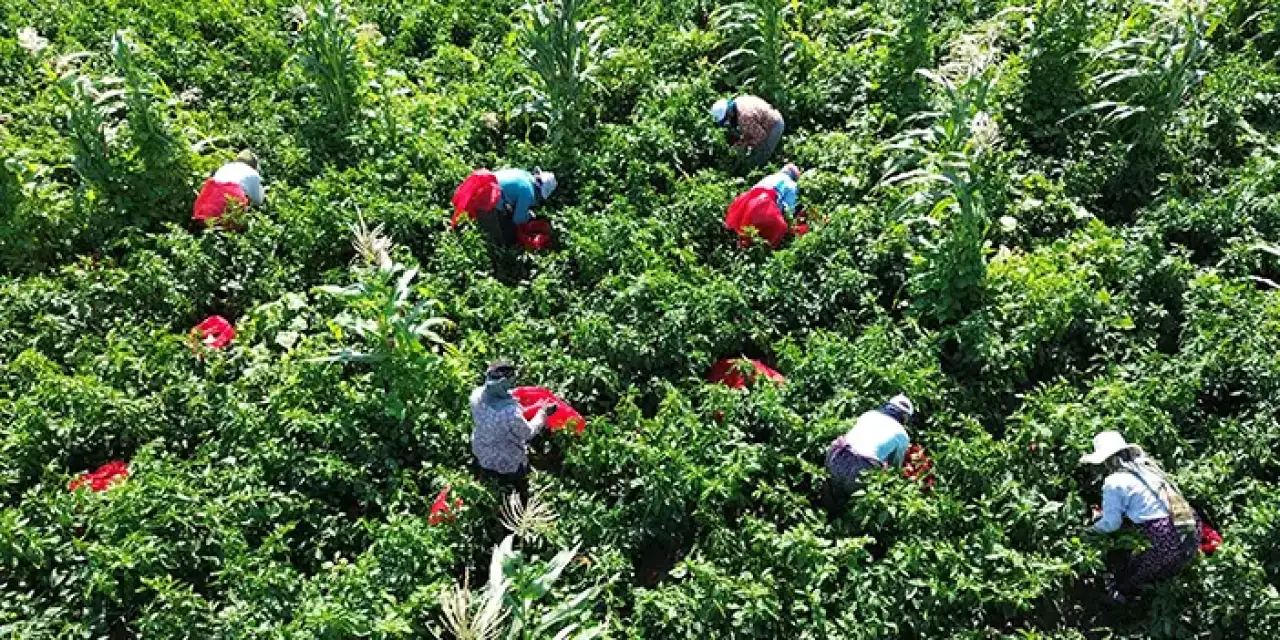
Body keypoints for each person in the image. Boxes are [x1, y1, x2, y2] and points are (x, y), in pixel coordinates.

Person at [1081, 431, 1200, 604]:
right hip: (1189, 525)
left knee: (1130, 576)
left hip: (1163, 534)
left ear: (1107, 461)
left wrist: (1089, 531)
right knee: (1164, 574)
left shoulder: (1114, 482)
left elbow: (1112, 524)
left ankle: (1120, 601)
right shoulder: (1148, 469)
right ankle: (1156, 601)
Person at [470, 361, 558, 494]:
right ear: (504, 383)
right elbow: (528, 433)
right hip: (507, 461)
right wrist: (543, 413)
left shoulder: (476, 395)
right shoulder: (510, 413)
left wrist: (529, 408)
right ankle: (517, 495)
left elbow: (498, 417)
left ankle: (490, 486)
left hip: (482, 451)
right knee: (515, 485)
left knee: (490, 479)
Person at [825, 394, 914, 502]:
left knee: (832, 495)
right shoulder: (902, 435)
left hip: (836, 455)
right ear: (905, 417)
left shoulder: (869, 414)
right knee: (856, 500)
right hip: (860, 469)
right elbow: (895, 468)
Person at [725, 164, 802, 248]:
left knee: (745, 234)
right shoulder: (791, 184)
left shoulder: (770, 177)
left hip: (749, 203)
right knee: (774, 233)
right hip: (766, 205)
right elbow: (788, 209)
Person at [480, 168, 557, 246]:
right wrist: (528, 216)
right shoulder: (528, 192)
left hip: (482, 185)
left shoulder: (525, 175)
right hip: (487, 199)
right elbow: (517, 219)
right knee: (506, 239)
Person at [193, 149, 265, 225]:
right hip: (231, 195)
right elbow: (258, 201)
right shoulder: (253, 174)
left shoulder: (225, 167)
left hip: (209, 195)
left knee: (205, 221)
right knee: (229, 224)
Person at [711, 95, 784, 166]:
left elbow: (761, 136)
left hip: (774, 125)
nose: (727, 121)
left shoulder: (744, 118)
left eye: (726, 119)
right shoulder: (738, 101)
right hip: (768, 119)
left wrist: (743, 145)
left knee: (758, 158)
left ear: (729, 113)